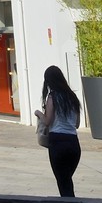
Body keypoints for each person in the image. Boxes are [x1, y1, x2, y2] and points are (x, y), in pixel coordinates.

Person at [36, 64, 81, 196]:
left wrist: (38, 113)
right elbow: (77, 124)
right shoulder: (73, 97)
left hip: (58, 142)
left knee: (63, 183)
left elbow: (47, 121)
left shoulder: (53, 97)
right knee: (66, 181)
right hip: (73, 143)